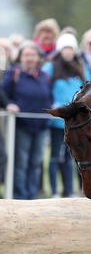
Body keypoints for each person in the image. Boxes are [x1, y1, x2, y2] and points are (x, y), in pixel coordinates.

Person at [1, 41, 52, 199]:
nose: (29, 58)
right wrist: (9, 104)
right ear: (20, 57)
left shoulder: (43, 75)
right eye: (26, 55)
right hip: (21, 126)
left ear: (38, 57)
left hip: (41, 126)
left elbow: (48, 96)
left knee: (36, 162)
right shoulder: (14, 73)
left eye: (32, 55)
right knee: (21, 163)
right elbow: (2, 92)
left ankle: (32, 196)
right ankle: (19, 196)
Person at [42, 33, 90, 198]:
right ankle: (54, 191)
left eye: (70, 48)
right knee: (55, 156)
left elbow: (88, 87)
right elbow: (42, 87)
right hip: (57, 121)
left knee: (71, 157)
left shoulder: (80, 67)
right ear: (60, 50)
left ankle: (69, 190)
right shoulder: (51, 67)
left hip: (75, 122)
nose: (68, 52)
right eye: (65, 49)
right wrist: (50, 104)